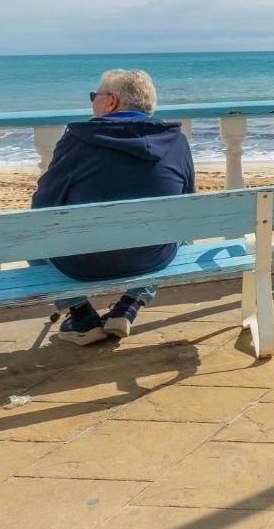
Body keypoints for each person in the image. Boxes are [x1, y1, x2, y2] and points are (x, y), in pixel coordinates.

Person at [32, 68, 194, 344]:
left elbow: (42, 207)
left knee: (32, 236)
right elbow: (187, 207)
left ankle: (81, 315)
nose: (92, 101)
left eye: (95, 96)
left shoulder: (77, 140)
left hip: (82, 263)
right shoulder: (176, 141)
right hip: (152, 258)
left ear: (111, 102)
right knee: (182, 235)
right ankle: (130, 303)